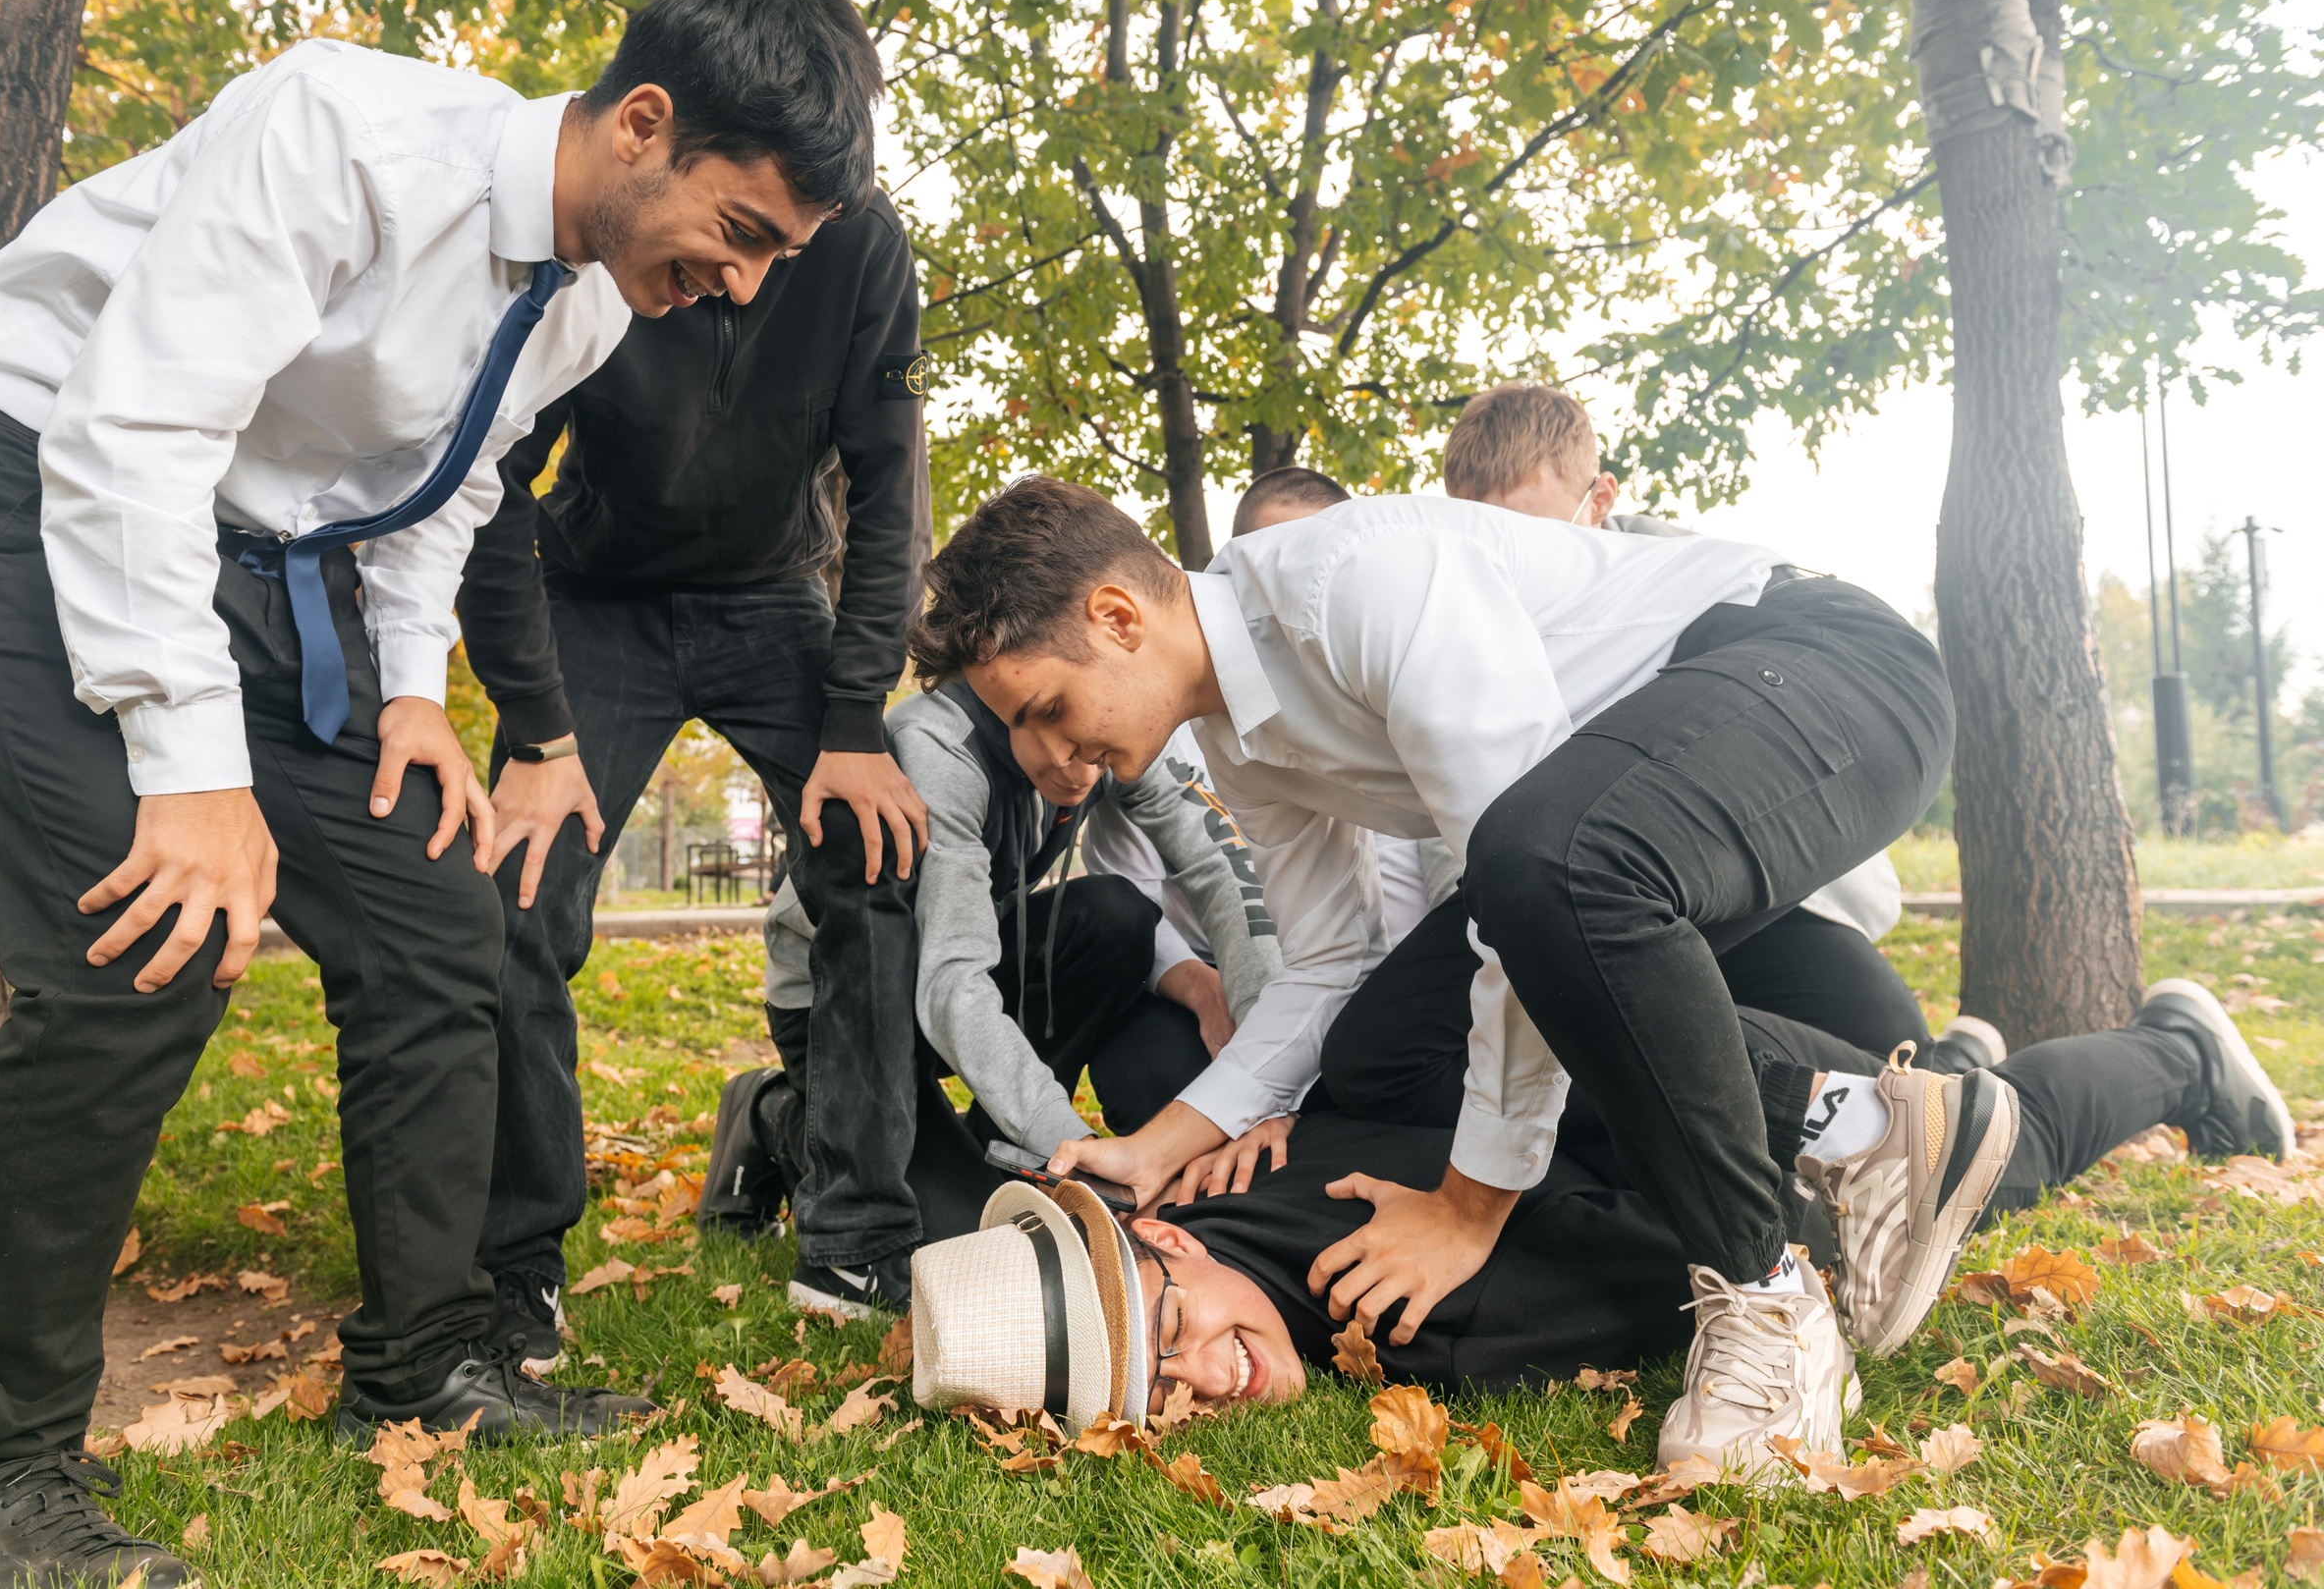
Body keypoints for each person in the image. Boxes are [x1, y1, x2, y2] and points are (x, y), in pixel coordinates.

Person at [0, 0, 878, 1584]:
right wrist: (189, 766)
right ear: (642, 124)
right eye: (743, 229)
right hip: (26, 489)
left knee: (442, 919)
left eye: (778, 256)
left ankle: (427, 1367)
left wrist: (412, 697)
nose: (745, 283)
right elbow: (136, 430)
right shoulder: (344, 133)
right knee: (145, 943)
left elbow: (444, 489)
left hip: (257, 567)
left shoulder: (588, 300)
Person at [905, 475, 2008, 1474]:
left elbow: (1531, 888)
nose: (1048, 751)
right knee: (1380, 1034)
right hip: (1643, 818)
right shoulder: (1242, 740)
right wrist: (1162, 1141)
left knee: (1529, 863)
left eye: (1047, 707)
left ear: (1115, 616)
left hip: (1827, 677)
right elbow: (1328, 959)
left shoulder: (1355, 581)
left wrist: (1470, 1205)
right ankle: (1857, 1122)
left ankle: (1769, 1297)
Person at [456, 0, 925, 1344]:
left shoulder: (860, 250)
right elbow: (493, 482)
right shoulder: (598, 228)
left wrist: (857, 714)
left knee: (876, 863)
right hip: (596, 597)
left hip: (773, 598)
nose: (751, 265)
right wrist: (537, 721)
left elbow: (888, 486)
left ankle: (857, 1237)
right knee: (519, 888)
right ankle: (514, 1257)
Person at [910, 978, 2293, 1414]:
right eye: (1158, 1394)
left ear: (1158, 1231)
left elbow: (1663, 1271)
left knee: (2004, 1161)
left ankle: (2178, 1049)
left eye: (1174, 1330)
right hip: (1686, 1078)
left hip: (1713, 1111)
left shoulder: (1376, 1285)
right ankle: (1948, 1068)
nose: (1211, 1374)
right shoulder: (1248, 1212)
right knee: (1977, 1125)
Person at [1438, 382, 2000, 1069]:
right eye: (1485, 539)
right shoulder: (1463, 620)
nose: (1510, 565)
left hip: (1756, 885)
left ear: (1601, 498)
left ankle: (1966, 1062)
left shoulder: (1701, 581)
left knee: (1894, 1058)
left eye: (1534, 535)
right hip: (1606, 902)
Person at [711, 685, 1282, 1313]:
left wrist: (1266, 1071)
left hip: (959, 958)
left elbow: (1221, 872)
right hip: (849, 998)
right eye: (1059, 731)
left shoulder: (1117, 707)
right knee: (962, 1247)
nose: (1079, 769)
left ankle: (996, 1149)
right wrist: (1079, 1152)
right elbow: (951, 985)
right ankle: (772, 1111)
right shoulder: (937, 745)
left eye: (1098, 753)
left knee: (1114, 918)